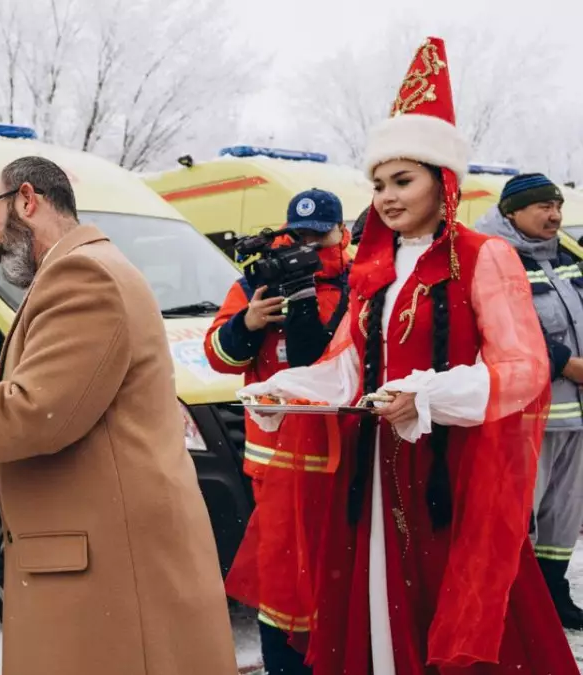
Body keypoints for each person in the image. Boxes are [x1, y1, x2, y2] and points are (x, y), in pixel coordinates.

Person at [238, 37, 577, 673]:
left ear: (442, 181)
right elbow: (348, 364)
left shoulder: (484, 256)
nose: (387, 196)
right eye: (378, 184)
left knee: (461, 609)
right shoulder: (375, 268)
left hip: (453, 469)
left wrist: (429, 396)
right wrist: (287, 387)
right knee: (376, 612)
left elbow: (524, 367)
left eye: (403, 180)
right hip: (372, 469)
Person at [0, 156, 239, 675]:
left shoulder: (82, 274)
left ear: (27, 200)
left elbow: (36, 411)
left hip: (110, 567)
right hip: (106, 560)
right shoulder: (85, 269)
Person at [206, 188, 352, 674]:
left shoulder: (362, 281)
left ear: (342, 233)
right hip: (277, 468)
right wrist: (247, 324)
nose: (306, 245)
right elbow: (218, 356)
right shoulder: (258, 283)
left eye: (318, 236)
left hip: (345, 464)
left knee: (339, 580)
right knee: (281, 584)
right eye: (299, 235)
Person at [475, 172, 583, 630]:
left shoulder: (566, 257)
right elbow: (505, 329)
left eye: (557, 206)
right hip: (530, 414)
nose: (554, 215)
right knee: (521, 513)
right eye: (543, 206)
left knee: (565, 512)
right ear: (512, 213)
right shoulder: (495, 258)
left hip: (575, 415)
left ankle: (554, 593)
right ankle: (517, 604)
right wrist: (567, 364)